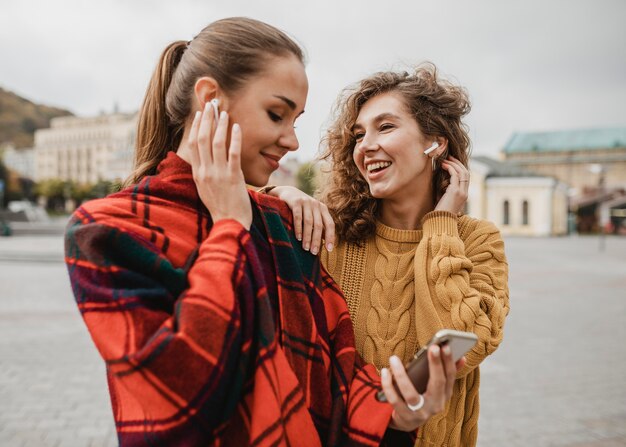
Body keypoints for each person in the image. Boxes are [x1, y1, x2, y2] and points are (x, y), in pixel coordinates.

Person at [64, 19, 461, 446]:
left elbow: (333, 377)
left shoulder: (283, 222)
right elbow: (178, 399)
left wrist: (393, 412)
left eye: (296, 119)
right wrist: (231, 226)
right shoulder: (107, 230)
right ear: (210, 99)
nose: (292, 140)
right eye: (277, 114)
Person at [267, 64, 510, 446]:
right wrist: (280, 195)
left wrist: (442, 222)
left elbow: (470, 343)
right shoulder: (331, 235)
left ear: (436, 142)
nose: (365, 145)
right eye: (359, 134)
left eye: (386, 127)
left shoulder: (478, 240)